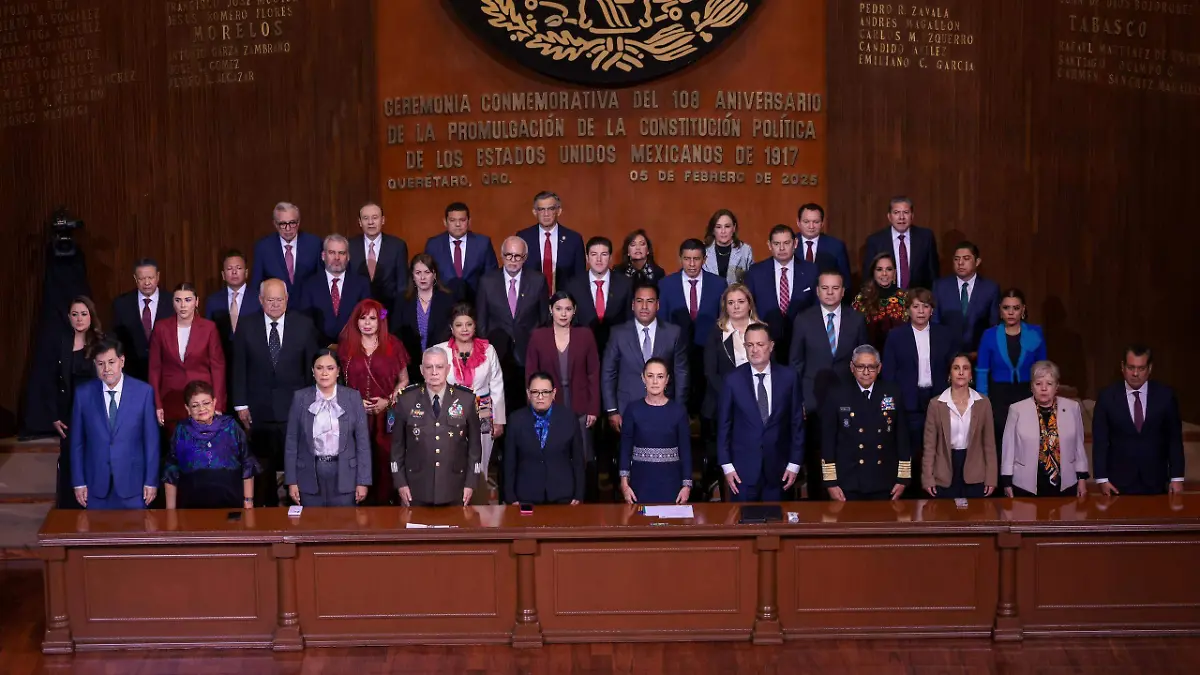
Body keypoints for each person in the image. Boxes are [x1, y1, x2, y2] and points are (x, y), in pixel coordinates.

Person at [230, 278, 319, 506]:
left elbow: (311, 368)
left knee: (296, 462)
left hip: (294, 408)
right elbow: (239, 367)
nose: (276, 304)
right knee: (263, 466)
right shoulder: (246, 325)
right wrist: (240, 404)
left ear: (287, 300)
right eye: (270, 300)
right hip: (259, 411)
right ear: (260, 300)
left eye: (280, 299)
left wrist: (311, 404)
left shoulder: (304, 325)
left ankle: (296, 509)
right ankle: (266, 512)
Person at [788, 271, 867, 499]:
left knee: (847, 452)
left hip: (848, 399)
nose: (830, 292)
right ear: (817, 291)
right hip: (813, 401)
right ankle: (816, 504)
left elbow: (864, 362)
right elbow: (795, 363)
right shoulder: (803, 319)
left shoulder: (857, 319)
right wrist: (799, 401)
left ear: (843, 291)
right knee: (816, 455)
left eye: (835, 288)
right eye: (825, 288)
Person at [716, 323, 805, 502]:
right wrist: (727, 465)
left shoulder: (789, 377)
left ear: (771, 346)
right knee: (743, 526)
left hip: (779, 471)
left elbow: (797, 423)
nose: (754, 350)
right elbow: (724, 425)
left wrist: (794, 464)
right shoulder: (732, 380)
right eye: (750, 345)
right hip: (742, 473)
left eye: (760, 345)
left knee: (776, 526)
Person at [69, 337, 160, 510]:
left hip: (134, 486)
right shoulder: (83, 394)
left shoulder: (144, 392)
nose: (107, 369)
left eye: (111, 362)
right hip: (95, 487)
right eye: (100, 364)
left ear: (122, 361)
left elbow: (151, 442)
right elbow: (77, 443)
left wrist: (151, 480)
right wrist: (79, 482)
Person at [524, 291, 600, 495]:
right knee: (552, 454)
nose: (563, 314)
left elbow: (593, 373)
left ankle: (582, 500)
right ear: (551, 310)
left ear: (574, 311)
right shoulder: (539, 336)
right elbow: (530, 373)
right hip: (548, 406)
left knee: (582, 456)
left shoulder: (585, 335)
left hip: (580, 405)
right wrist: (533, 404)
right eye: (558, 309)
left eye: (568, 309)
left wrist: (593, 408)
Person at [337, 299, 410, 505]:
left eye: (372, 318)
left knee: (386, 463)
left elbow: (404, 380)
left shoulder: (393, 344)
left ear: (380, 321)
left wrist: (388, 402)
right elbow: (337, 382)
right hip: (355, 416)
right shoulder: (346, 346)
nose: (367, 323)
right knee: (357, 462)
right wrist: (355, 402)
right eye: (363, 318)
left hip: (387, 416)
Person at [392, 348, 483, 506]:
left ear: (448, 369)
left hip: (455, 487)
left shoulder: (466, 399)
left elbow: (474, 448)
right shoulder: (406, 400)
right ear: (421, 370)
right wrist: (400, 482)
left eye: (439, 367)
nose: (434, 372)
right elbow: (397, 447)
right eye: (429, 367)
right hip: (417, 488)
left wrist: (471, 483)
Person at [882, 288, 959, 473]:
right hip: (908, 403)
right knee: (909, 451)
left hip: (939, 399)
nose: (921, 311)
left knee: (938, 450)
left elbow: (955, 368)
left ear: (932, 310)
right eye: (916, 306)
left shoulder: (945, 334)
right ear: (908, 310)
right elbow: (888, 375)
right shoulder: (895, 336)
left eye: (925, 306)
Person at [820, 345, 910, 501]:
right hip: (848, 482)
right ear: (852, 367)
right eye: (861, 367)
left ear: (879, 368)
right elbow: (828, 441)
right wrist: (830, 482)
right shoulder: (837, 395)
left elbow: (902, 437)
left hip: (884, 481)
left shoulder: (893, 392)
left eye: (871, 367)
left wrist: (903, 479)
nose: (866, 372)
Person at [432, 303, 505, 496]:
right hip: (450, 410)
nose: (464, 329)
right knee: (451, 456)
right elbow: (432, 384)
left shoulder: (488, 350)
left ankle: (478, 500)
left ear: (475, 326)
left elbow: (496, 385)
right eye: (459, 325)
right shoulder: (439, 351)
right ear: (451, 328)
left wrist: (498, 420)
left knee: (481, 457)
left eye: (468, 324)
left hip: (482, 409)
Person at [1092, 345, 1185, 496]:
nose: (1135, 373)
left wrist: (1177, 478)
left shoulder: (1166, 396)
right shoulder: (1107, 397)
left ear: (1150, 368)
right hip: (1117, 482)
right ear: (1122, 367)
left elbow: (1174, 440)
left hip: (1157, 480)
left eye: (1141, 368)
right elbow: (1101, 441)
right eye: (1131, 367)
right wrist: (1102, 479)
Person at [284, 350, 372, 506]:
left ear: (338, 371)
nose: (324, 373)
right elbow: (291, 443)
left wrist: (363, 481)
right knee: (311, 525)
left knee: (344, 526)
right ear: (312, 371)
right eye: (319, 368)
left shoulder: (353, 397)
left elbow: (363, 443)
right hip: (308, 476)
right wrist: (291, 481)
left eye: (330, 368)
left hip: (345, 475)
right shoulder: (300, 398)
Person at [701, 283, 763, 498]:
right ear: (724, 306)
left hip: (759, 406)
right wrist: (734, 399)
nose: (736, 307)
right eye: (731, 303)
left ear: (749, 304)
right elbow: (711, 372)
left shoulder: (762, 330)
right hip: (722, 404)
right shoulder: (716, 332)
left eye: (740, 301)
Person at [601, 283, 688, 432]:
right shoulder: (618, 333)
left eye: (650, 301)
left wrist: (678, 409)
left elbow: (681, 373)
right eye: (640, 301)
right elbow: (608, 373)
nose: (644, 306)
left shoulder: (673, 333)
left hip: (665, 409)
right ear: (633, 305)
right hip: (626, 410)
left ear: (658, 305)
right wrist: (612, 410)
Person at [475, 236, 548, 409]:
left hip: (528, 353)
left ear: (525, 257)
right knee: (498, 406)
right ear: (501, 255)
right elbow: (481, 320)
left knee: (526, 407)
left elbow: (544, 318)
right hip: (497, 354)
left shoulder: (538, 280)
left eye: (518, 256)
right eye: (509, 255)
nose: (513, 260)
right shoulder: (487, 282)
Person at [658, 238, 727, 415]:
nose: (691, 264)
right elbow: (662, 321)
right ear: (680, 258)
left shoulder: (719, 284)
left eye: (696, 259)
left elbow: (723, 320)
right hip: (677, 355)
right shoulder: (666, 284)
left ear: (704, 259)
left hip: (708, 354)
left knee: (706, 404)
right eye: (687, 258)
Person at [1000, 360, 1089, 498]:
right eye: (1038, 384)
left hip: (1066, 484)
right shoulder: (1017, 409)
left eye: (1049, 383)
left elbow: (1079, 446)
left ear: (1056, 386)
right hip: (1026, 485)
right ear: (1031, 387)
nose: (1043, 388)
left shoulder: (1072, 408)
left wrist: (1082, 479)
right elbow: (1008, 448)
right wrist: (1006, 481)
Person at [163, 380, 256, 510]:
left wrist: (248, 500)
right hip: (191, 507)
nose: (202, 409)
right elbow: (171, 472)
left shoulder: (230, 427)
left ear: (214, 402)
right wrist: (170, 513)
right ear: (187, 409)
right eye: (195, 405)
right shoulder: (181, 430)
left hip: (231, 503)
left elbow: (248, 464)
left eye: (206, 403)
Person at [976, 288, 1047, 457]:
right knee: (1001, 446)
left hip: (1027, 395)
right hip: (998, 397)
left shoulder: (1035, 332)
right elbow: (981, 372)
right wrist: (983, 403)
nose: (1011, 313)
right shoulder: (989, 335)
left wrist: (1042, 398)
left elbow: (1043, 370)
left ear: (1023, 309)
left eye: (1016, 308)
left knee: (1026, 445)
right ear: (1000, 310)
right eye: (1007, 308)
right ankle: (1003, 483)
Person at [149, 283, 226, 432]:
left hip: (202, 401)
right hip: (171, 399)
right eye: (178, 300)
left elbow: (218, 368)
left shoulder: (209, 328)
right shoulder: (161, 328)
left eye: (188, 300)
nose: (183, 305)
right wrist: (157, 403)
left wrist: (218, 404)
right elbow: (154, 368)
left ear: (196, 302)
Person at [503, 372, 586, 505]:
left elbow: (578, 460)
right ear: (528, 394)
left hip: (563, 495)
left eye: (545, 392)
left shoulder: (568, 418)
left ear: (553, 393)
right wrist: (510, 497)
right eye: (535, 392)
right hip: (526, 496)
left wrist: (579, 494)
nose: (540, 397)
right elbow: (509, 462)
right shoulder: (516, 420)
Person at [618, 358, 693, 505]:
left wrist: (686, 486)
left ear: (667, 380)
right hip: (640, 484)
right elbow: (625, 449)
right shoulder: (633, 410)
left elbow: (685, 450)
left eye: (660, 376)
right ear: (643, 378)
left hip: (671, 484)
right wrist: (624, 485)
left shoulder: (678, 411)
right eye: (650, 376)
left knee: (670, 527)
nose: (655, 381)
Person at [922, 354, 996, 499]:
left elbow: (989, 445)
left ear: (971, 374)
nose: (961, 372)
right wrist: (927, 478)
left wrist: (991, 478)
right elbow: (929, 446)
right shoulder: (936, 404)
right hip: (944, 471)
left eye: (965, 368)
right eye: (956, 368)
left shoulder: (983, 403)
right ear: (950, 373)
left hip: (975, 470)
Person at [53, 296, 103, 509]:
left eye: (83, 314)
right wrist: (54, 415)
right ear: (69, 317)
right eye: (75, 314)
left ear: (91, 316)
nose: (79, 318)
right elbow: (50, 381)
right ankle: (68, 511)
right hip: (69, 415)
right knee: (70, 459)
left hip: (96, 413)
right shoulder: (60, 343)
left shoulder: (103, 343)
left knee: (95, 459)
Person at [742, 224, 818, 362]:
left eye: (786, 243)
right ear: (769, 245)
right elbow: (748, 308)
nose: (782, 248)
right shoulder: (755, 272)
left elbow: (817, 306)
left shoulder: (811, 271)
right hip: (766, 345)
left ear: (795, 243)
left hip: (803, 343)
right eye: (777, 244)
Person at [296, 234, 372, 346]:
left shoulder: (362, 284)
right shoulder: (309, 285)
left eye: (341, 253)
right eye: (332, 252)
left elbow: (371, 315)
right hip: (319, 350)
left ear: (348, 257)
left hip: (354, 348)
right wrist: (327, 344)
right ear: (323, 256)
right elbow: (305, 321)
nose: (337, 257)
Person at [391, 253, 454, 385]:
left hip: (440, 367)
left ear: (434, 275)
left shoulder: (447, 300)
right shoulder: (402, 300)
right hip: (410, 368)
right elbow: (395, 334)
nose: (422, 277)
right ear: (412, 276)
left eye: (427, 272)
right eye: (418, 272)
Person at [566, 235, 632, 358]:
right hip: (582, 351)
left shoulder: (625, 284)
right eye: (594, 254)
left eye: (604, 254)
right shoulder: (573, 285)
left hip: (617, 351)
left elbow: (629, 320)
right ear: (587, 258)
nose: (599, 259)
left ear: (611, 258)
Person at [110, 258, 174, 380]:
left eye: (150, 277)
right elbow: (115, 340)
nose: (147, 282)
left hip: (167, 372)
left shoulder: (172, 301)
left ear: (158, 276)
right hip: (132, 373)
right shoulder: (122, 304)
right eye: (142, 278)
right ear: (135, 278)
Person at [422, 201, 499, 302]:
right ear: (445, 222)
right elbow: (427, 277)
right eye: (452, 220)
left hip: (475, 303)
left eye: (462, 220)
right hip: (443, 303)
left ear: (469, 221)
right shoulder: (433, 245)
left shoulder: (483, 243)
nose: (457, 224)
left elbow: (492, 277)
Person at [932, 241, 999, 354]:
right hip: (947, 355)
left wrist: (981, 352)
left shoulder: (990, 289)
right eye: (956, 259)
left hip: (979, 355)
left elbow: (993, 326)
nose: (960, 263)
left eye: (966, 258)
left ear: (977, 262)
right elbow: (935, 323)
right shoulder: (940, 287)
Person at [861, 196, 940, 290]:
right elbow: (868, 278)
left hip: (917, 301)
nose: (901, 217)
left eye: (906, 212)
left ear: (912, 216)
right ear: (889, 217)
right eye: (896, 213)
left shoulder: (925, 237)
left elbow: (933, 275)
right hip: (885, 300)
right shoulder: (875, 241)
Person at [518, 190, 585, 294]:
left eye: (551, 209)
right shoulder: (523, 237)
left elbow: (580, 277)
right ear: (534, 212)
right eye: (541, 209)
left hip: (564, 303)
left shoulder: (574, 239)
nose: (546, 214)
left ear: (559, 211)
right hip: (530, 302)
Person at [249, 201, 323, 294]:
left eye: (292, 223)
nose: (288, 229)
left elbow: (322, 282)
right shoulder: (263, 248)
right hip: (276, 307)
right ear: (275, 224)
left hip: (308, 307)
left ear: (299, 222)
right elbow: (256, 287)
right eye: (283, 224)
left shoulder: (314, 244)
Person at [204, 250, 260, 370]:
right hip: (222, 361)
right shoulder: (213, 301)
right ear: (223, 275)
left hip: (253, 360)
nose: (234, 272)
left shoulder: (259, 298)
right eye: (229, 269)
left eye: (238, 268)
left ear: (246, 273)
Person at [349, 202, 409, 309]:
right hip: (357, 312)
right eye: (366, 218)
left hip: (389, 311)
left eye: (375, 217)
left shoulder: (397, 246)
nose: (370, 222)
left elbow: (402, 285)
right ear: (360, 222)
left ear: (383, 220)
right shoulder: (349, 246)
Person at [853, 252, 909, 354]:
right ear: (873, 272)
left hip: (901, 354)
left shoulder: (905, 298)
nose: (884, 273)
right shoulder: (862, 299)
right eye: (879, 269)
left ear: (895, 273)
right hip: (869, 356)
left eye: (889, 269)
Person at [795, 203, 852, 286]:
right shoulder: (788, 244)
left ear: (822, 223)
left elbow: (845, 282)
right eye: (806, 222)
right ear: (798, 222)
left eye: (816, 222)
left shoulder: (836, 246)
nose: (811, 226)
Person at [702, 208, 755, 284]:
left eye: (727, 226)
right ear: (713, 230)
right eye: (718, 227)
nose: (723, 231)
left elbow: (752, 281)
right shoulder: (703, 250)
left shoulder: (745, 250)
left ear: (734, 228)